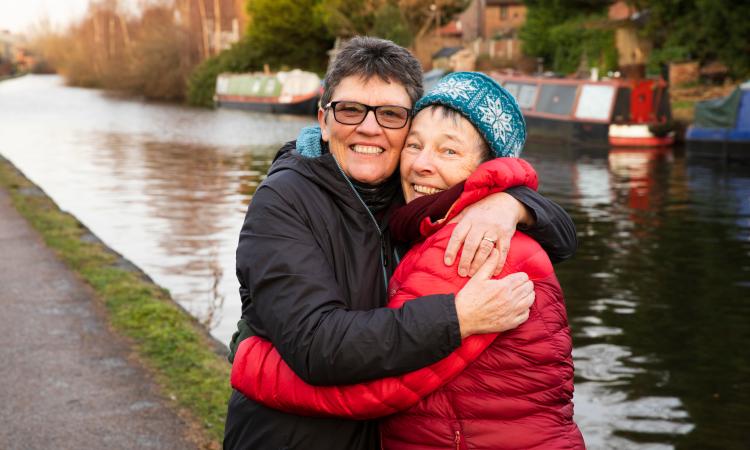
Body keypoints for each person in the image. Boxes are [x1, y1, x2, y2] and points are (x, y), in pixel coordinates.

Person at [224, 37, 577, 450]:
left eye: (390, 114)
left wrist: (509, 204)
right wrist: (457, 316)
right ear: (323, 119)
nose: (369, 128)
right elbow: (318, 346)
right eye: (351, 110)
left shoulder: (440, 217)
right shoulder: (285, 200)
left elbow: (564, 235)